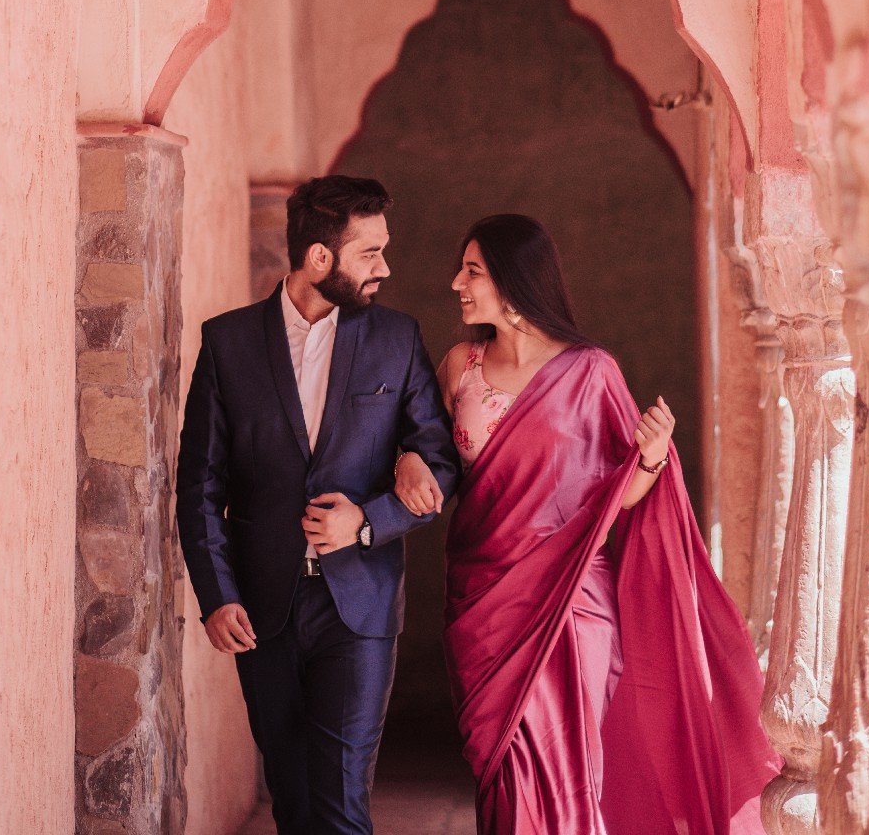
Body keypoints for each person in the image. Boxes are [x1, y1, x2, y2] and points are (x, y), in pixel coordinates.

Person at [395, 213, 779, 835]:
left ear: (513, 282)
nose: (456, 283)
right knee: (505, 764)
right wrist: (410, 455)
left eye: (473, 271)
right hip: (482, 601)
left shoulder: (591, 371)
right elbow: (428, 450)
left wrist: (652, 456)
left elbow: (619, 495)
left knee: (563, 762)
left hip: (573, 600)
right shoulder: (458, 367)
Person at [176, 175, 460, 835]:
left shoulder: (395, 338)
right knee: (293, 797)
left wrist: (368, 519)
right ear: (319, 259)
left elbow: (438, 464)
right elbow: (199, 485)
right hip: (261, 608)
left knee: (338, 799)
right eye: (370, 252)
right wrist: (218, 595)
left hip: (356, 608)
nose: (385, 268)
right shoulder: (228, 344)